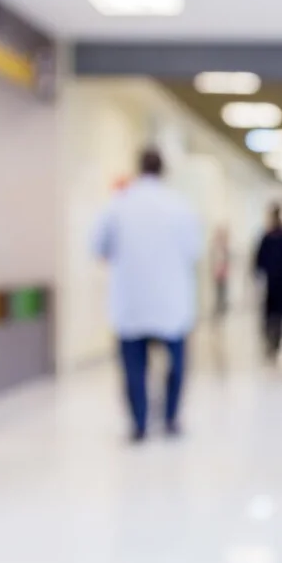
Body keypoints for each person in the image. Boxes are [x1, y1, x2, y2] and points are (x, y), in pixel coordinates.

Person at [91, 148, 203, 443]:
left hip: (131, 301)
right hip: (171, 301)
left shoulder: (119, 203)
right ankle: (170, 418)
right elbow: (195, 251)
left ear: (139, 168)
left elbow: (98, 247)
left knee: (133, 367)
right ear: (163, 170)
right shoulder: (180, 206)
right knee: (176, 365)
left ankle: (139, 423)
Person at [252, 204, 282, 360]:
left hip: (276, 279)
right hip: (276, 279)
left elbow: (259, 259)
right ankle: (272, 337)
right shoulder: (278, 236)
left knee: (273, 309)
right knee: (274, 309)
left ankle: (274, 337)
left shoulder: (277, 236)